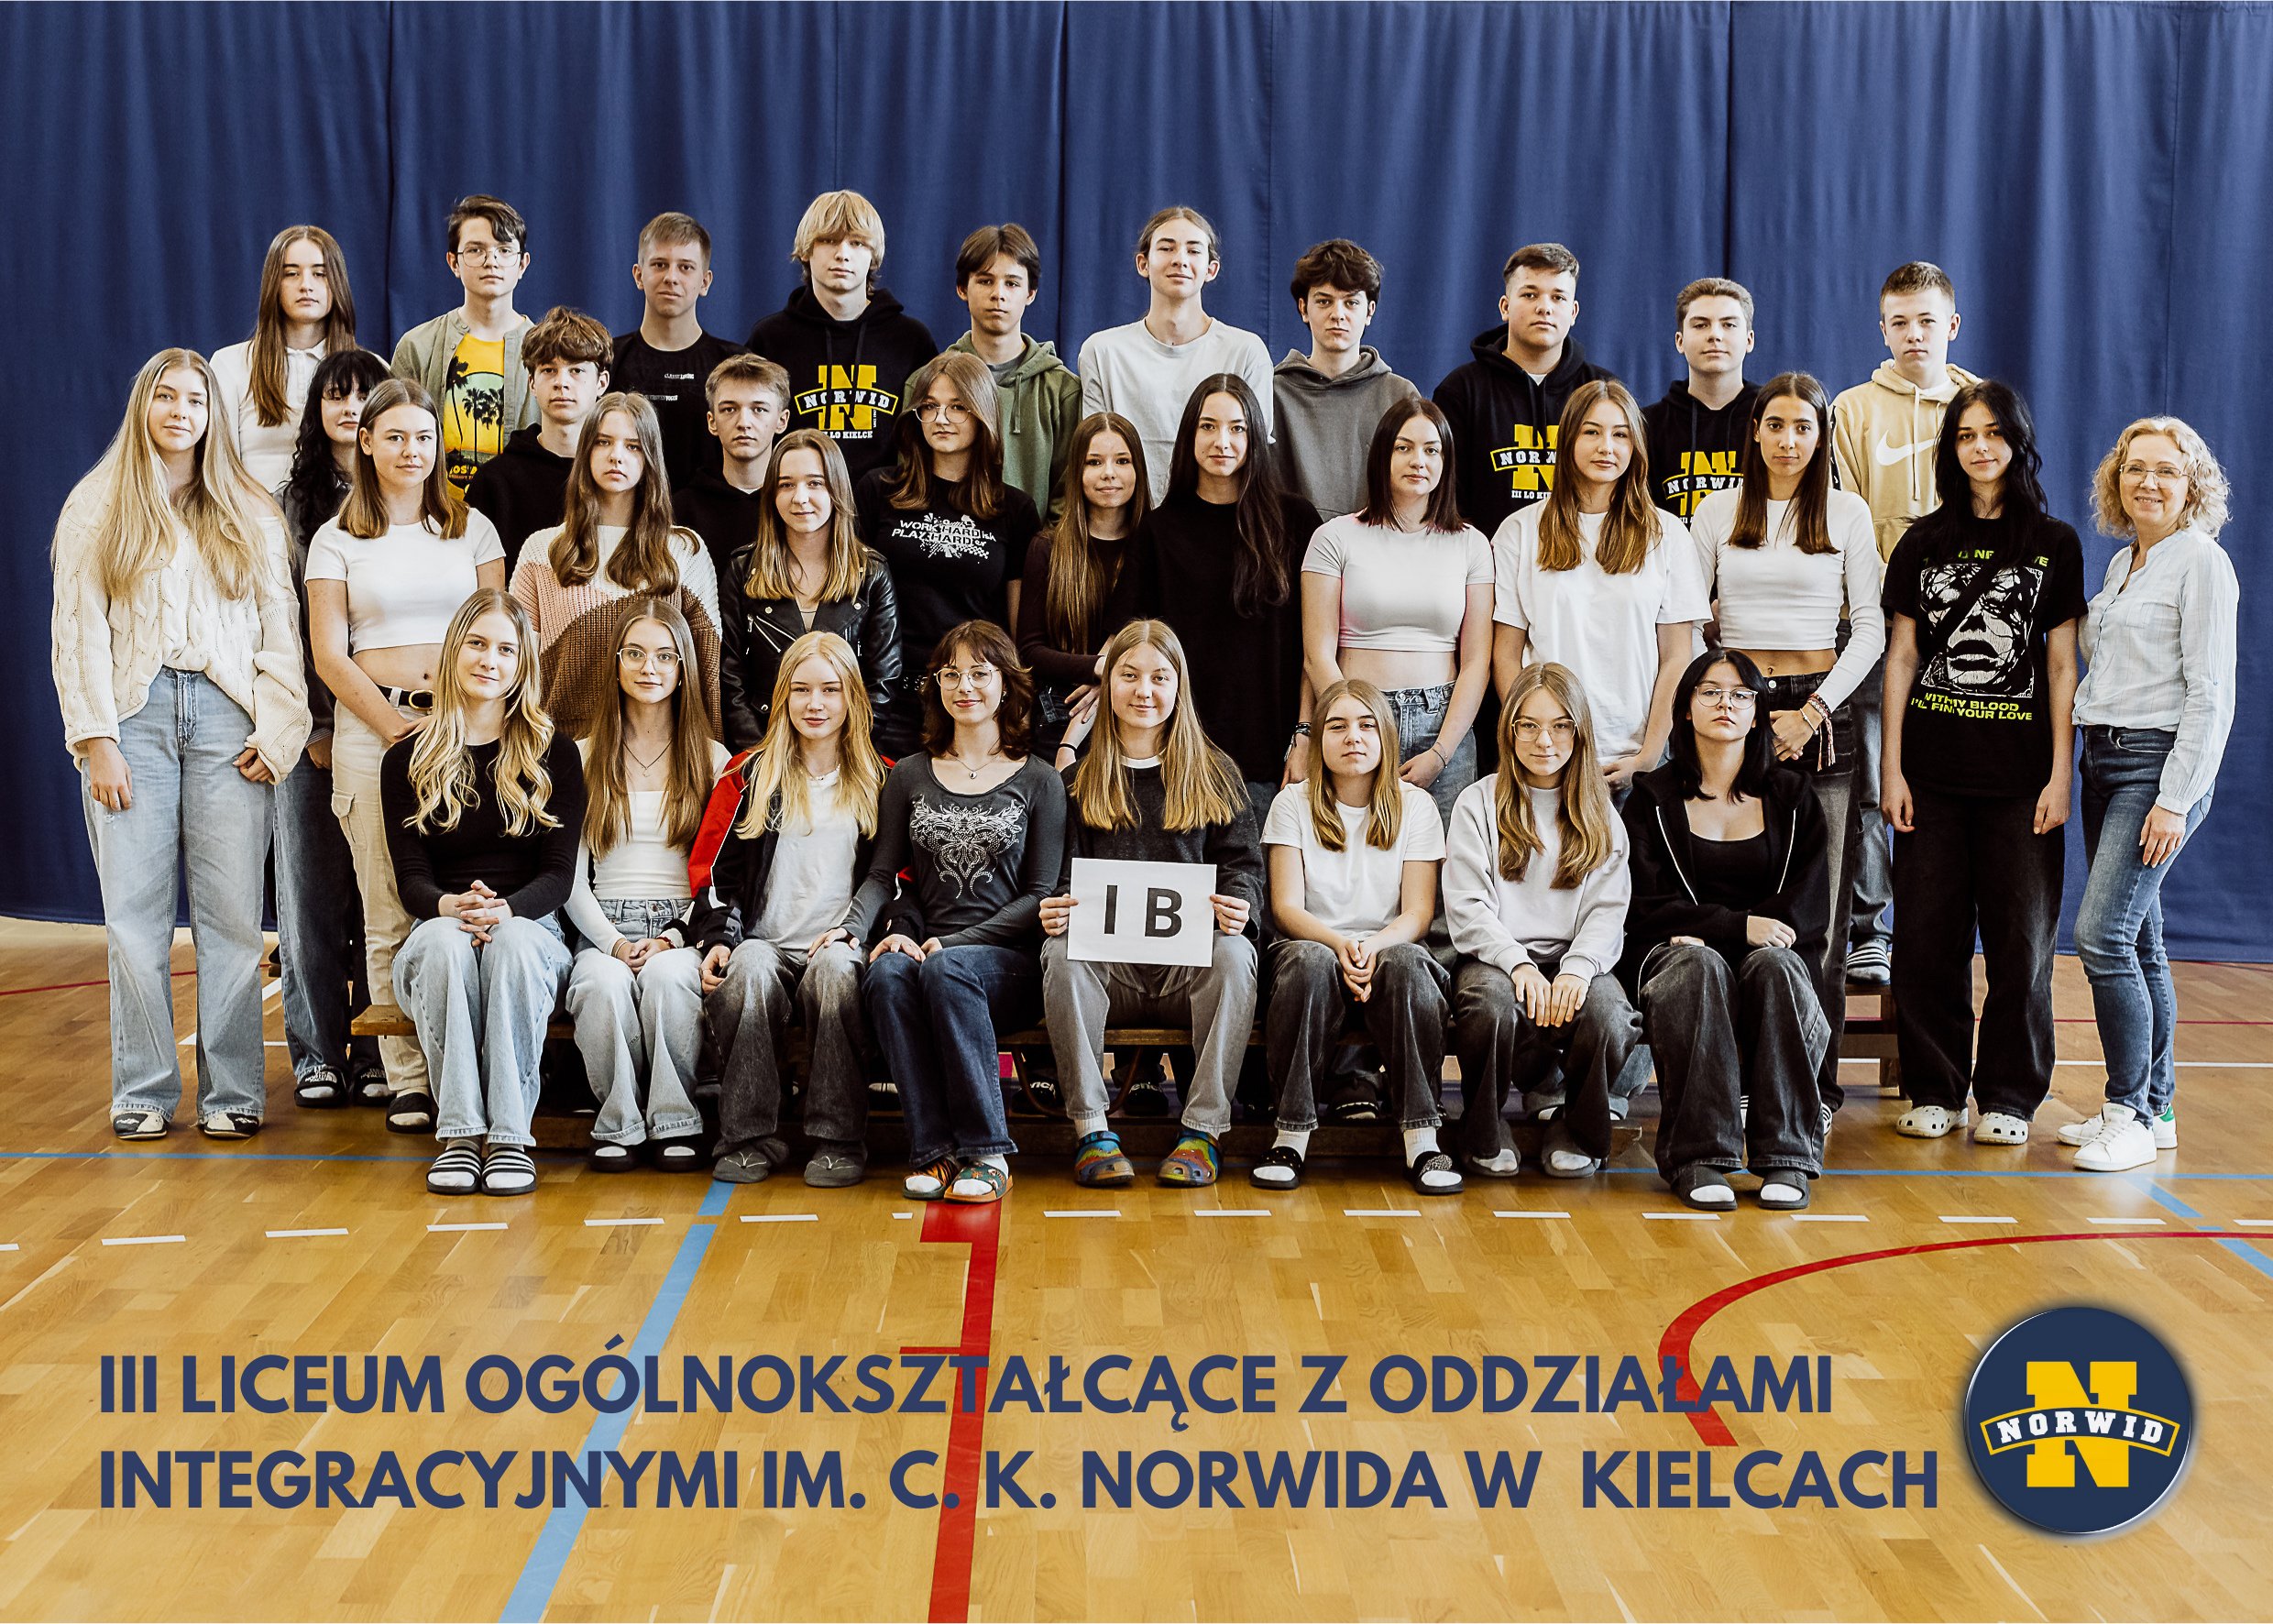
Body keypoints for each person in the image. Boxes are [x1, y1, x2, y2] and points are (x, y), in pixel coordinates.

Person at [51, 348, 310, 1140]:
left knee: (232, 920)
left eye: (195, 399)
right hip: (134, 718)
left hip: (230, 720)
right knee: (134, 918)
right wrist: (96, 738)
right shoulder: (97, 505)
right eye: (166, 396)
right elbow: (77, 631)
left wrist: (280, 729)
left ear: (211, 415)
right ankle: (143, 1090)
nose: (180, 411)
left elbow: (280, 627)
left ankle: (232, 1095)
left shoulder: (248, 508)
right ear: (144, 406)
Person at [1881, 380, 2084, 1147]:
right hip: (1930, 777)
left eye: (1994, 433)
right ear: (1951, 449)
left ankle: (2009, 1094)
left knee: (2021, 945)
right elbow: (1902, 659)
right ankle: (1935, 1087)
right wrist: (1892, 769)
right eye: (1966, 435)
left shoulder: (2054, 542)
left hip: (2020, 782)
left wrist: (2060, 772)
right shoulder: (1922, 542)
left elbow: (2061, 666)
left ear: (2017, 441)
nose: (1980, 447)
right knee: (1926, 940)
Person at [306, 377, 508, 1132]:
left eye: (424, 437)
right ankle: (409, 1080)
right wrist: (395, 728)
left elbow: (498, 632)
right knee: (387, 906)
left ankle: (471, 1069)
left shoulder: (473, 529)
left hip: (465, 729)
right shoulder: (336, 539)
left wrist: (462, 726)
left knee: (466, 896)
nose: (410, 450)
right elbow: (330, 655)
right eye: (394, 436)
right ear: (366, 443)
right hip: (374, 734)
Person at [1687, 371, 1881, 1128]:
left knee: (1819, 918)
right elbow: (1685, 614)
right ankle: (1738, 1081)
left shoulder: (1845, 511)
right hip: (1733, 705)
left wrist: (1815, 709)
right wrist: (1727, 696)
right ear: (1755, 431)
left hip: (1819, 710)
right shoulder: (1716, 510)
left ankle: (1814, 1090)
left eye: (1803, 427)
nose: (1788, 440)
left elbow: (1870, 626)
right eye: (1775, 425)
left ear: (1821, 436)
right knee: (1737, 902)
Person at [2062, 419, 2238, 1170]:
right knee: (2140, 941)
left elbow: (2211, 693)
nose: (2149, 483)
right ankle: (2158, 1108)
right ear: (2117, 479)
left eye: (2167, 470)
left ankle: (2127, 1111)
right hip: (2101, 760)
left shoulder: (2201, 561)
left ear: (2192, 484)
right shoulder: (2122, 564)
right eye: (2135, 468)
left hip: (2155, 767)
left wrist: (2174, 798)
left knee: (2101, 936)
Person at [846, 621, 1067, 1205]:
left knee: (948, 969)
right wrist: (854, 931)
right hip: (929, 952)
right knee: (885, 974)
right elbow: (883, 876)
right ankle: (935, 1152)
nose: (964, 686)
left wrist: (954, 943)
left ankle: (988, 1152)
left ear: (1006, 684)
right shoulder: (908, 775)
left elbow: (1040, 896)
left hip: (1009, 962)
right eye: (951, 675)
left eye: (979, 674)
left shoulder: (1041, 780)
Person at [1038, 621, 1265, 1190]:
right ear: (1107, 684)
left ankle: (1203, 1131)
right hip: (1111, 976)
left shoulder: (1215, 773)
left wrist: (1240, 905)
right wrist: (1055, 908)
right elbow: (1059, 877)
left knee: (1236, 955)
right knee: (1060, 954)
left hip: (1186, 975)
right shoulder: (1077, 781)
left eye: (1160, 677)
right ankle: (1092, 1130)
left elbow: (1243, 866)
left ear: (1179, 686)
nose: (1144, 691)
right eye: (1129, 675)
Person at [384, 591, 585, 1197]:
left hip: (530, 927)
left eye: (505, 649)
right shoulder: (405, 759)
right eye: (477, 643)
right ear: (454, 651)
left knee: (512, 944)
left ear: (523, 665)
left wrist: (505, 909)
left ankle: (509, 1140)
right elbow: (411, 880)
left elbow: (558, 876)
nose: (489, 660)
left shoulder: (555, 754)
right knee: (445, 945)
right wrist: (452, 907)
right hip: (440, 927)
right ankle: (460, 1137)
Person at [1620, 652, 1831, 1212]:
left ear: (1758, 712)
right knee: (1697, 965)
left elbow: (1807, 912)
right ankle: (1700, 1157)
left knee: (1777, 965)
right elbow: (1643, 906)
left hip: (1771, 959)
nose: (1726, 704)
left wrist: (1745, 936)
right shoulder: (1652, 798)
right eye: (1710, 692)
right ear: (1686, 709)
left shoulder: (1792, 797)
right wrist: (1735, 927)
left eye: (1740, 695)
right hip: (1678, 955)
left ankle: (1787, 1156)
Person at [1832, 261, 1980, 985]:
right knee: (1867, 781)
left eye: (1927, 320)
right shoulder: (1851, 410)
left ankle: (1939, 928)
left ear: (1951, 325)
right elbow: (1851, 525)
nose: (1914, 334)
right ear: (1883, 329)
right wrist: (1892, 613)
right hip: (1878, 628)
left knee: (1949, 787)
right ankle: (1869, 929)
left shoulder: (1981, 408)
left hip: (1969, 638)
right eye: (1900, 322)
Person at [693, 631, 884, 1187]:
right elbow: (712, 873)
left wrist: (870, 934)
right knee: (748, 967)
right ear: (782, 698)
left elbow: (896, 881)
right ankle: (749, 1136)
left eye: (830, 689)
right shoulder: (746, 775)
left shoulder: (884, 779)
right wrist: (719, 938)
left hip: (840, 947)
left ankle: (837, 1139)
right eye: (801, 689)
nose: (815, 703)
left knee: (837, 972)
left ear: (852, 698)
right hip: (766, 943)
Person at [1254, 677, 1455, 1193]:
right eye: (1337, 726)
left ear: (1386, 735)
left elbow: (1418, 913)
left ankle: (1422, 1140)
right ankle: (1290, 1136)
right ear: (1318, 738)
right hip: (1312, 947)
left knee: (1409, 963)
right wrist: (1340, 945)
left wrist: (1371, 946)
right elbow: (1285, 908)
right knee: (1308, 962)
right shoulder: (1292, 803)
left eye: (1367, 725)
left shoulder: (1417, 806)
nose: (1353, 737)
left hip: (1388, 950)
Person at [1444, 664, 1637, 1180]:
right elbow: (1467, 906)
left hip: (1575, 957)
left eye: (1559, 726)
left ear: (1579, 731)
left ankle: (1577, 1127)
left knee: (1610, 1015)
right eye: (1528, 725)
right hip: (1495, 958)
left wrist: (1577, 968)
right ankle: (1484, 1129)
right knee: (1488, 1007)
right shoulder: (1477, 802)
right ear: (1509, 730)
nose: (1544, 740)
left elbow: (1607, 909)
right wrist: (1518, 964)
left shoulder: (1600, 811)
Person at [563, 602, 730, 1171]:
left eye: (665, 655)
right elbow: (569, 876)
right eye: (634, 653)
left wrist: (674, 938)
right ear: (615, 662)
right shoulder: (584, 755)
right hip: (603, 921)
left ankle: (675, 1119)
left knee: (667, 980)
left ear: (684, 669)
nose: (649, 668)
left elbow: (719, 873)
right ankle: (618, 1121)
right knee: (600, 985)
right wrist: (611, 942)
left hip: (682, 926)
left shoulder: (711, 758)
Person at [274, 346, 392, 1109]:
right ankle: (318, 1053)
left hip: (387, 730)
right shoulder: (290, 506)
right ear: (317, 412)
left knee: (382, 897)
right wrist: (316, 724)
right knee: (311, 898)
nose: (350, 408)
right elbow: (285, 626)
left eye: (364, 396)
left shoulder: (412, 500)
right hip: (309, 732)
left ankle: (381, 1048)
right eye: (335, 395)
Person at [1490, 379, 1707, 787]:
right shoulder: (1519, 531)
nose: (1606, 446)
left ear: (1635, 445)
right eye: (1592, 431)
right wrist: (1536, 740)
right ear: (1568, 439)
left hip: (1637, 757)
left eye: (1620, 434)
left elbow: (1677, 656)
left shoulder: (1666, 533)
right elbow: (1506, 654)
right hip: (1548, 758)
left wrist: (1647, 755)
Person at [1135, 374, 1323, 818]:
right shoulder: (1158, 531)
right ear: (1189, 435)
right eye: (1208, 426)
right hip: (1184, 760)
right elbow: (1137, 645)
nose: (1222, 441)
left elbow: (1317, 646)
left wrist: (1305, 735)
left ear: (1255, 436)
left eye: (1237, 428)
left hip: (1278, 760)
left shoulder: (1295, 521)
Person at [1301, 399, 1493, 828]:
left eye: (1431, 450)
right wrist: (1357, 725)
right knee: (1353, 851)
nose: (1418, 460)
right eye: (1403, 447)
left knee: (1443, 861)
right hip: (1355, 720)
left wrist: (1441, 753)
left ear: (1446, 461)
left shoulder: (1472, 544)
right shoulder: (1334, 538)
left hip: (1443, 725)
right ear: (1382, 455)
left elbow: (1477, 661)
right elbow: (1316, 654)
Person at [855, 351, 1043, 757]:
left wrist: (1018, 706)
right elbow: (856, 602)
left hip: (972, 699)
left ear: (983, 415)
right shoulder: (878, 491)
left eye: (958, 407)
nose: (941, 418)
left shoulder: (1014, 509)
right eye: (930, 406)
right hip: (890, 698)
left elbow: (1017, 627)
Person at [510, 391, 722, 739]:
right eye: (603, 442)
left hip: (659, 750)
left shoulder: (683, 550)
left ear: (650, 457)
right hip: (560, 747)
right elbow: (517, 664)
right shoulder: (542, 549)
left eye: (633, 446)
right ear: (586, 452)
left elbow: (707, 667)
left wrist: (707, 751)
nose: (616, 456)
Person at [719, 428, 899, 750]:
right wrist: (761, 754)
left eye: (815, 483)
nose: (800, 498)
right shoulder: (743, 569)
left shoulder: (871, 573)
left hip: (847, 751)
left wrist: (842, 753)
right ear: (772, 495)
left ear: (836, 490)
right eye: (786, 485)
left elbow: (882, 683)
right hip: (763, 745)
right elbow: (730, 675)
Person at [1078, 206, 1274, 500]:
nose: (1180, 259)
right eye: (1167, 248)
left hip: (1218, 519)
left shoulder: (1247, 352)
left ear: (1211, 269)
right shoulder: (1102, 352)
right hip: (1130, 521)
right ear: (1143, 263)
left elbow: (1255, 455)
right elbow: (1095, 453)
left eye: (1193, 251)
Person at [745, 189, 938, 481]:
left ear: (873, 256)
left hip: (889, 502)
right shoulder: (770, 338)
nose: (842, 254)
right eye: (829, 240)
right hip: (800, 500)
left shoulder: (911, 340)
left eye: (857, 243)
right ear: (806, 251)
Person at [1433, 242, 1616, 541]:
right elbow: (1447, 502)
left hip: (1586, 563)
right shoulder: (1461, 391)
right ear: (1505, 307)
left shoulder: (1603, 391)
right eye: (1530, 294)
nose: (1544, 307)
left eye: (1558, 297)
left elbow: (1626, 491)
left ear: (1573, 312)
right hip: (1489, 562)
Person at [1022, 413, 1151, 757]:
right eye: (1094, 462)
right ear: (1076, 472)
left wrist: (1115, 678)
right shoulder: (1047, 548)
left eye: (1122, 461)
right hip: (1062, 713)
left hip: (1141, 716)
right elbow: (1030, 650)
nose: (1109, 473)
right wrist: (1099, 668)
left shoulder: (1157, 549)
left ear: (1138, 469)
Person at [390, 195, 537, 492]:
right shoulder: (417, 347)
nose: (490, 261)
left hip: (518, 513)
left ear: (522, 264)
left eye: (504, 250)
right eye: (475, 250)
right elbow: (392, 439)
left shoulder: (548, 355)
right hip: (432, 512)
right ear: (453, 262)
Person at [1271, 239, 1421, 521]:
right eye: (1324, 301)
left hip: (1380, 543)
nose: (1337, 314)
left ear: (1370, 311)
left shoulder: (1400, 395)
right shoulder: (1272, 392)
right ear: (1303, 308)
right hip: (1288, 544)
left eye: (1351, 302)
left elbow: (1417, 492)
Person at [947, 223, 1083, 520]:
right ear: (962, 289)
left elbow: (1068, 496)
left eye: (1012, 283)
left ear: (1030, 293)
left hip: (1035, 547)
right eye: (985, 281)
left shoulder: (1063, 390)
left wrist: (1043, 546)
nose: (998, 294)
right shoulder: (932, 383)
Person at [210, 225, 358, 490]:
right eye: (291, 273)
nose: (306, 285)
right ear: (273, 284)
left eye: (320, 273)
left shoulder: (371, 369)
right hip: (251, 513)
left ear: (337, 282)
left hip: (344, 514)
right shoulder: (229, 365)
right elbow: (218, 467)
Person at [466, 305, 611, 575]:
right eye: (549, 370)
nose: (561, 382)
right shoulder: (494, 482)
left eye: (576, 371)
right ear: (532, 383)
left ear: (601, 383)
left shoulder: (619, 475)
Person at [610, 212, 743, 488]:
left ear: (705, 282)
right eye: (659, 265)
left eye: (685, 267)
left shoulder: (734, 365)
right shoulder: (607, 361)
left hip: (710, 512)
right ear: (638, 275)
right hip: (626, 511)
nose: (671, 277)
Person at [1640, 278, 1758, 519]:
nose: (1715, 335)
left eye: (1729, 325)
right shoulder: (1646, 424)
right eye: (1701, 325)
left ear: (1749, 340)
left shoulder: (1772, 420)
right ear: (1679, 341)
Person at [673, 353, 792, 585]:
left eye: (759, 409)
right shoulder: (681, 510)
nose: (744, 423)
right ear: (712, 421)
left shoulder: (800, 504)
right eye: (729, 409)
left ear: (782, 420)